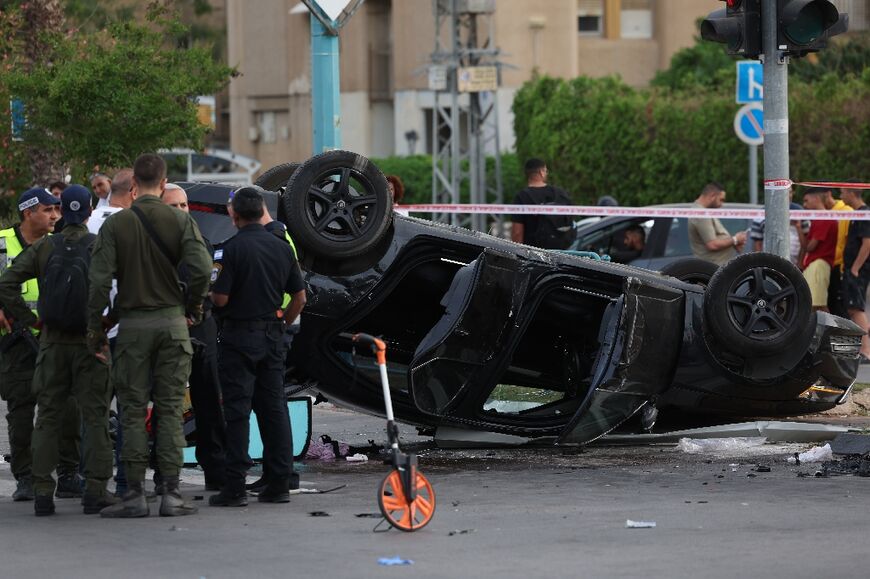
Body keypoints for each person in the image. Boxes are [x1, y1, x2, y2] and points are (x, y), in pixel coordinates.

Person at [87, 153, 212, 517]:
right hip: (173, 325)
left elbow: (98, 282)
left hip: (132, 329)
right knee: (170, 410)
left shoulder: (117, 225)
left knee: (131, 410)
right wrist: (193, 308)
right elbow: (202, 268)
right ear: (164, 182)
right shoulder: (180, 220)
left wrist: (95, 328)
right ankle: (171, 493)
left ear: (133, 185)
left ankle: (133, 495)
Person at [0, 185, 117, 516]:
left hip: (51, 342)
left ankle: (41, 492)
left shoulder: (45, 247)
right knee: (94, 416)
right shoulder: (98, 245)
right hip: (89, 342)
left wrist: (29, 320)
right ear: (91, 211)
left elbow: (6, 283)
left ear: (63, 211)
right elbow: (125, 286)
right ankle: (95, 490)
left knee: (48, 417)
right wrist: (108, 322)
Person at [208, 186, 306, 507]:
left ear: (234, 215)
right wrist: (282, 324)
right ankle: (279, 482)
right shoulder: (282, 247)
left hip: (238, 337)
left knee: (237, 411)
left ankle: (235, 486)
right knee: (273, 407)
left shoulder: (230, 250)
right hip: (272, 337)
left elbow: (220, 298)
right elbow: (300, 298)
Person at [0, 188, 81, 502]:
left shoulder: (58, 243)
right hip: (15, 342)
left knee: (69, 406)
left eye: (57, 210)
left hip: (54, 337)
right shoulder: (2, 242)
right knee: (21, 411)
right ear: (28, 212)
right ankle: (26, 477)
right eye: (48, 210)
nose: (55, 216)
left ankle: (69, 473)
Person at [161, 184, 226, 490]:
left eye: (184, 205)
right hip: (168, 328)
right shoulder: (151, 245)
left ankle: (216, 471)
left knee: (208, 400)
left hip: (201, 326)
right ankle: (165, 474)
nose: (181, 211)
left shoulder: (201, 241)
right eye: (173, 206)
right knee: (168, 403)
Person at [511, 158, 574, 249]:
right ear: (542, 172)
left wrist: (517, 252)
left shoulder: (522, 197)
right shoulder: (560, 193)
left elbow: (517, 232)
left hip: (533, 252)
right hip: (561, 252)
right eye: (546, 171)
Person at [840, 186, 870, 360]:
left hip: (858, 270)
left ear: (852, 193)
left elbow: (868, 243)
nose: (841, 196)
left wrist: (855, 268)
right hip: (853, 268)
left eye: (842, 192)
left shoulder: (864, 214)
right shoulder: (857, 214)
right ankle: (863, 348)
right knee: (853, 308)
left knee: (856, 308)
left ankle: (866, 351)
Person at [688, 182, 746, 265]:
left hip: (716, 267)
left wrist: (733, 243)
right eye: (721, 200)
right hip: (713, 268)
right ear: (712, 196)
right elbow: (712, 245)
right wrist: (735, 239)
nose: (721, 205)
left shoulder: (704, 211)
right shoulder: (701, 213)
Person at [801, 189, 838, 312]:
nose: (804, 205)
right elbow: (807, 246)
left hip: (819, 264)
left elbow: (810, 247)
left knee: (817, 304)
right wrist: (798, 228)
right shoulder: (819, 218)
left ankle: (829, 325)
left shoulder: (824, 218)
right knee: (813, 303)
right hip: (814, 264)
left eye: (806, 201)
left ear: (816, 199)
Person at [749, 188, 808, 266]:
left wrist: (800, 265)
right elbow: (758, 243)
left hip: (795, 265)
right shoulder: (761, 214)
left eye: (790, 192)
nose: (788, 196)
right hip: (770, 264)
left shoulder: (800, 212)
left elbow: (806, 241)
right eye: (783, 192)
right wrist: (761, 265)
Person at [829, 187, 855, 317]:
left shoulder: (847, 211)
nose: (840, 196)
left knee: (845, 308)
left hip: (841, 266)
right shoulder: (825, 212)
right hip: (831, 264)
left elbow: (848, 241)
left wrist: (851, 267)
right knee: (833, 305)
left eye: (842, 192)